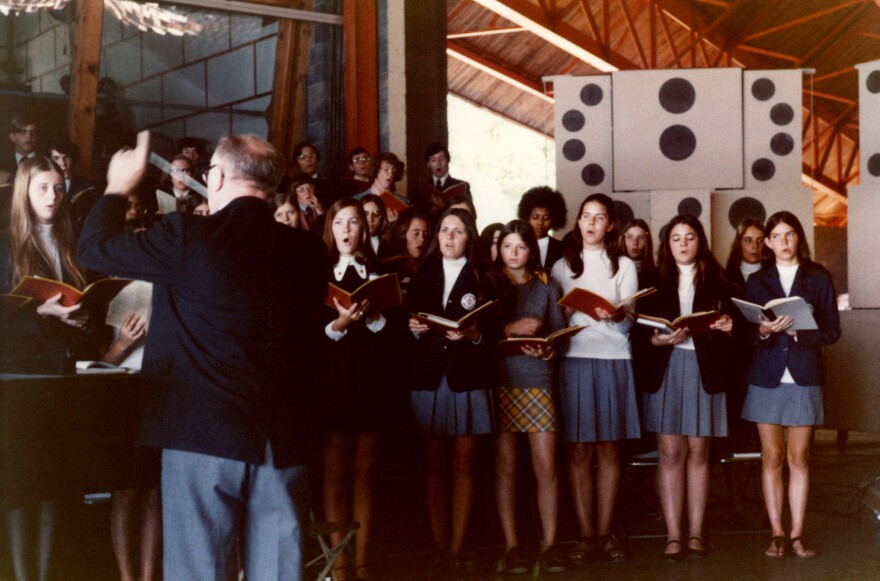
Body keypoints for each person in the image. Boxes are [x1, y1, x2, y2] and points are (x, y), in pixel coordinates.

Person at [77, 131, 328, 581]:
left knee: (199, 572)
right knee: (277, 572)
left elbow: (94, 248)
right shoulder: (309, 251)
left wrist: (117, 188)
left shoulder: (187, 237)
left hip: (201, 434)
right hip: (283, 438)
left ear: (217, 178)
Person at [1, 156, 92, 581]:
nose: (53, 196)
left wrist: (81, 317)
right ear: (24, 191)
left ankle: (48, 573)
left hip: (63, 373)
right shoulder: (6, 245)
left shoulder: (72, 242)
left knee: (56, 485)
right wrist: (40, 313)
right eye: (42, 188)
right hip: (21, 378)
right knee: (25, 487)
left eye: (58, 188)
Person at [633, 214, 737, 560]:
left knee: (699, 453)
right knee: (671, 453)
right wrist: (657, 340)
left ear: (700, 241)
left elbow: (739, 324)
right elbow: (637, 332)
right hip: (666, 369)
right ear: (667, 244)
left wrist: (728, 324)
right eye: (676, 238)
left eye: (689, 237)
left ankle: (695, 533)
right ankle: (673, 535)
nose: (682, 243)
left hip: (704, 369)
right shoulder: (651, 281)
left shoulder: (720, 280)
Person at [740, 211, 841, 559]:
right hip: (766, 375)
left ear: (799, 238)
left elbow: (832, 331)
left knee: (799, 457)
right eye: (777, 236)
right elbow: (746, 333)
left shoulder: (818, 277)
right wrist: (763, 331)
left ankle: (797, 534)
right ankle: (777, 533)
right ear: (767, 242)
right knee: (771, 456)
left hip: (804, 373)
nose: (784, 242)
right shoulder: (757, 281)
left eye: (790, 234)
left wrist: (801, 331)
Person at [407, 208, 501, 576]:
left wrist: (475, 334)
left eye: (457, 231)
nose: (448, 236)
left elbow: (494, 332)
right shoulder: (424, 273)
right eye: (444, 230)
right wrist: (414, 329)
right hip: (429, 376)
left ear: (469, 238)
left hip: (467, 376)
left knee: (464, 464)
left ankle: (457, 547)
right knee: (433, 466)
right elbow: (408, 324)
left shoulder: (483, 275)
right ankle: (438, 544)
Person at [550, 193, 641, 563]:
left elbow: (629, 321)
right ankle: (585, 536)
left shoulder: (623, 265)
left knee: (609, 450)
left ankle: (605, 534)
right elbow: (554, 322)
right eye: (585, 216)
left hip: (614, 358)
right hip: (575, 359)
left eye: (599, 217)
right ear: (577, 223)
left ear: (611, 225)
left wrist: (617, 316)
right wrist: (567, 312)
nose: (590, 223)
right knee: (578, 451)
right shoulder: (560, 266)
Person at [318, 198, 393, 581]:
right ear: (331, 229)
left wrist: (377, 317)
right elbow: (308, 333)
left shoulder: (378, 274)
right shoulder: (319, 273)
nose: (347, 230)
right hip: (333, 382)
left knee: (365, 472)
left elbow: (393, 335)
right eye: (340, 223)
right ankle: (339, 564)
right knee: (334, 473)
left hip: (370, 381)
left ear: (365, 230)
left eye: (354, 223)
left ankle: (360, 561)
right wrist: (339, 325)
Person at [493, 220, 567, 574]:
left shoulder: (547, 286)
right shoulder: (489, 284)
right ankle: (512, 545)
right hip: (501, 381)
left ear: (531, 251)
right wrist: (511, 329)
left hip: (539, 379)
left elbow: (558, 333)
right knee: (506, 467)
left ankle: (550, 544)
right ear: (499, 249)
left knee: (546, 467)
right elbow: (480, 331)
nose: (514, 253)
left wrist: (549, 351)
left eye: (521, 247)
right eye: (508, 246)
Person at [517, 186, 567, 270]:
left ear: (554, 220)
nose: (540, 222)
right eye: (535, 217)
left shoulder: (562, 248)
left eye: (546, 218)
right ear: (527, 217)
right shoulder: (517, 245)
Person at [724, 218, 766, 293]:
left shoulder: (774, 274)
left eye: (760, 240)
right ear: (739, 244)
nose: (755, 246)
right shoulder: (726, 277)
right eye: (748, 240)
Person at [620, 218, 656, 290]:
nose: (635, 243)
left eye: (641, 238)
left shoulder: (656, 276)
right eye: (630, 237)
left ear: (647, 242)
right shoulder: (615, 272)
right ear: (624, 240)